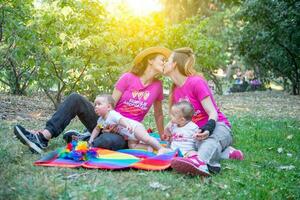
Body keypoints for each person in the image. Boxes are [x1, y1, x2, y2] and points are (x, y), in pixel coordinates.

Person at [13, 47, 171, 154]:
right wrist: (110, 122)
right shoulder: (128, 78)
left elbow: (158, 114)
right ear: (150, 60)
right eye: (161, 60)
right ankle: (42, 138)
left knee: (107, 142)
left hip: (125, 133)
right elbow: (111, 104)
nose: (164, 63)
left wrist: (163, 134)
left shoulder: (157, 86)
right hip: (106, 119)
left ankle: (87, 138)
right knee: (76, 98)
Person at [163, 47, 243, 176]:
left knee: (208, 141)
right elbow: (181, 117)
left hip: (217, 126)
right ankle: (228, 153)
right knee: (188, 145)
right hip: (195, 133)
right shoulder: (175, 90)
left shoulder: (196, 82)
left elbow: (213, 112)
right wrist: (170, 126)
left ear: (174, 64)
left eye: (167, 60)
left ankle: (201, 164)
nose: (164, 63)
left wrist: (208, 129)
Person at [89, 94, 169, 154]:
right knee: (132, 146)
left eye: (99, 104)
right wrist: (91, 139)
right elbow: (96, 129)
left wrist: (127, 125)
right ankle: (149, 148)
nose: (96, 107)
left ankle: (160, 148)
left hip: (134, 128)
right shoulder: (100, 120)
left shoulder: (112, 114)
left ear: (109, 107)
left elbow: (121, 119)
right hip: (128, 135)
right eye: (95, 105)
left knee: (146, 138)